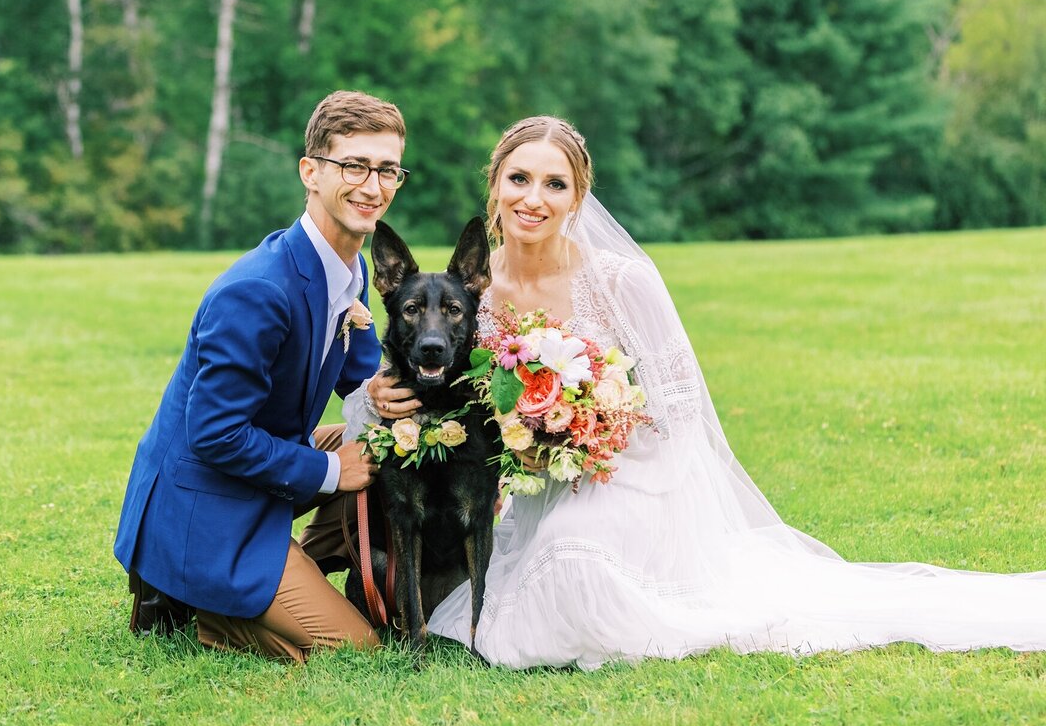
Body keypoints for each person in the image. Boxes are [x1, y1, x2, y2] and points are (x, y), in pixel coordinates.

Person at [347, 115, 1046, 670]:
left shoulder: (622, 280)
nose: (534, 198)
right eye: (519, 179)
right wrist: (382, 399)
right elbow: (446, 390)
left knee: (575, 568)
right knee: (507, 593)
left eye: (554, 184)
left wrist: (588, 437)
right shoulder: (473, 290)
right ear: (494, 184)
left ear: (578, 197)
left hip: (635, 477)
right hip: (537, 488)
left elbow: (679, 411)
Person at [114, 90, 413, 663]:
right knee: (362, 652)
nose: (372, 187)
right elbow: (214, 434)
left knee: (379, 446)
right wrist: (330, 469)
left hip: (252, 480)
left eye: (387, 170)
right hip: (203, 506)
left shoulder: (347, 266)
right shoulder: (261, 290)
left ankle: (297, 562)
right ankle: (203, 604)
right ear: (311, 171)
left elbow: (365, 381)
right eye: (353, 166)